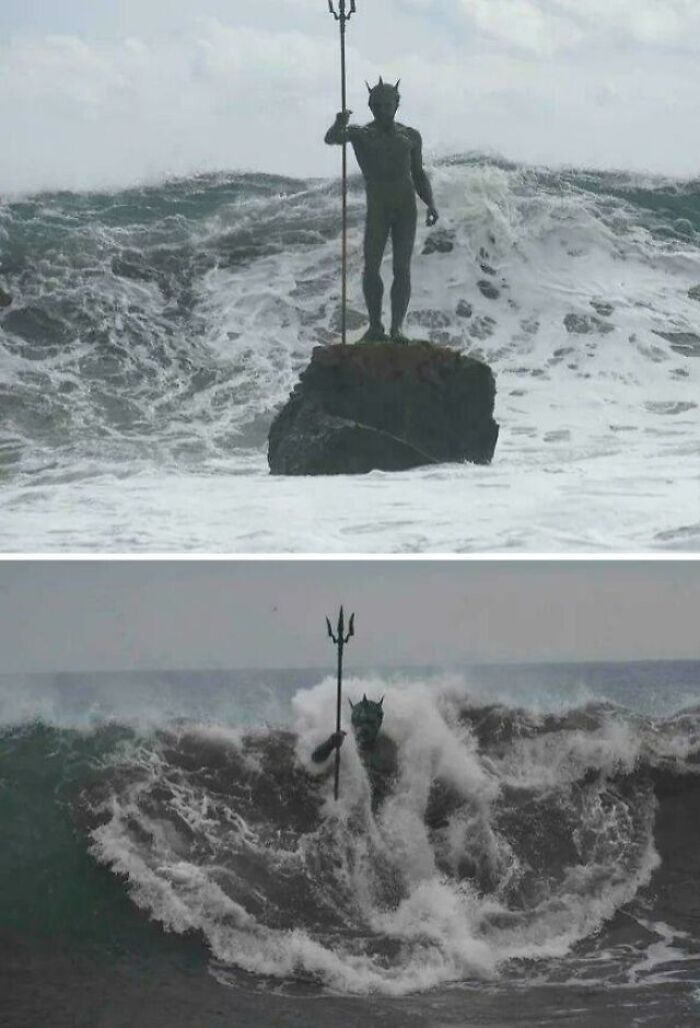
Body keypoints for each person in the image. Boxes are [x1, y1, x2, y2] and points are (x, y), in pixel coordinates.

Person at [324, 78, 439, 344]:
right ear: (371, 105)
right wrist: (338, 122)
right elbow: (331, 139)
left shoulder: (411, 136)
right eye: (377, 105)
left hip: (406, 206)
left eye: (388, 104)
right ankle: (375, 326)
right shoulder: (361, 134)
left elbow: (419, 174)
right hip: (378, 205)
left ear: (396, 104)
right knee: (371, 266)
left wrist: (430, 203)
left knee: (402, 268)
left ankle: (397, 328)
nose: (382, 109)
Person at [312, 693, 397, 811]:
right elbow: (316, 758)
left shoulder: (388, 746)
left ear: (379, 721)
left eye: (369, 722)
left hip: (382, 815)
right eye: (360, 722)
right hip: (350, 811)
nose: (364, 728)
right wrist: (330, 744)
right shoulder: (345, 742)